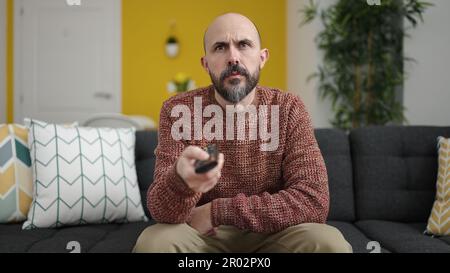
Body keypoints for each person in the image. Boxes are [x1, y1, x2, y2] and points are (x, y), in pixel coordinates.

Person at [133, 13, 352, 253]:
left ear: (262, 58)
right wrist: (180, 181)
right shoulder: (178, 110)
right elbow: (161, 212)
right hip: (201, 236)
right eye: (220, 47)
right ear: (205, 63)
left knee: (330, 244)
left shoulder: (289, 108)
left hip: (273, 233)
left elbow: (313, 200)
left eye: (244, 44)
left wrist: (218, 212)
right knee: (153, 243)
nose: (233, 57)